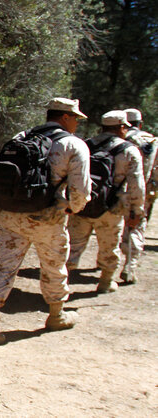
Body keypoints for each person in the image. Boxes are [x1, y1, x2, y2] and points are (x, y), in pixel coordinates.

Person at [0, 97, 91, 345]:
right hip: (47, 217)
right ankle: (56, 315)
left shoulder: (21, 136)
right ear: (65, 118)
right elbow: (80, 191)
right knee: (53, 265)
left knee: (5, 267)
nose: (77, 124)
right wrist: (72, 208)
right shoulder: (73, 144)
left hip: (10, 214)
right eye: (75, 119)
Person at [66, 110, 144, 293]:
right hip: (112, 207)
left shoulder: (85, 145)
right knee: (110, 245)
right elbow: (137, 185)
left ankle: (62, 280)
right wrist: (136, 211)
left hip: (82, 204)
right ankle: (106, 282)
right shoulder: (129, 151)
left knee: (73, 244)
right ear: (122, 128)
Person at [118, 108, 156, 284]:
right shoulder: (151, 140)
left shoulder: (118, 138)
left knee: (114, 226)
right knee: (136, 226)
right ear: (140, 123)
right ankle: (130, 266)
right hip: (144, 191)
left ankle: (107, 264)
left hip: (117, 191)